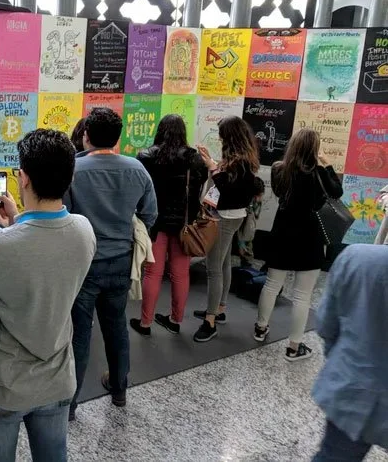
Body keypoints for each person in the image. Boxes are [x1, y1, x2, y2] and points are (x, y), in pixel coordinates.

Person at [0, 129, 96, 462]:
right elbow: (42, 251)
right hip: (59, 380)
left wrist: (1, 229)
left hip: (5, 387)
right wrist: (16, 221)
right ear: (70, 177)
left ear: (24, 178)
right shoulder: (84, 230)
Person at [65, 108, 158, 417]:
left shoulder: (73, 170)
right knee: (116, 326)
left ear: (85, 136)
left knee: (79, 335)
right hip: (121, 261)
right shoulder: (137, 169)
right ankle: (119, 389)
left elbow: (63, 215)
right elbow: (150, 214)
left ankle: (70, 404)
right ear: (117, 138)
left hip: (83, 263)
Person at [254, 129, 343, 361]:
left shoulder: (278, 169)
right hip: (310, 237)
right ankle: (293, 347)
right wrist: (327, 164)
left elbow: (280, 192)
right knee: (302, 296)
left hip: (282, 233)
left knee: (271, 285)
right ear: (314, 148)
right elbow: (337, 192)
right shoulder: (319, 174)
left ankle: (260, 329)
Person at [132, 114, 207, 336]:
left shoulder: (146, 156)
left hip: (154, 223)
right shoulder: (194, 159)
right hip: (184, 226)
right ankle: (175, 320)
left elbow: (139, 189)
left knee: (152, 273)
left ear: (160, 130)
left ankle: (145, 323)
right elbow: (199, 187)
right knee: (180, 274)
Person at [312, 244, 388, 461]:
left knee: (333, 455)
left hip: (351, 390)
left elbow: (327, 325)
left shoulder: (357, 257)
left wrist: (343, 362)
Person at [193, 116, 259, 343]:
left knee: (213, 269)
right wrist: (213, 163)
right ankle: (219, 308)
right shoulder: (245, 158)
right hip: (233, 216)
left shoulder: (240, 161)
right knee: (223, 263)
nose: (219, 138)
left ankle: (210, 321)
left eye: (222, 134)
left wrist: (212, 167)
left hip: (225, 218)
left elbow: (227, 189)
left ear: (230, 136)